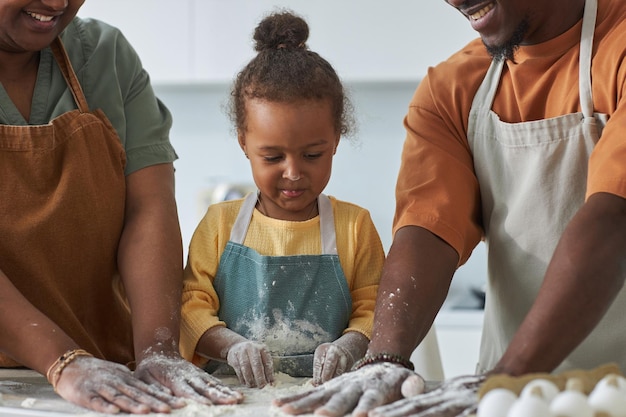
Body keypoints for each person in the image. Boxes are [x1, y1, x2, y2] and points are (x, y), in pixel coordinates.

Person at [273, 0, 626, 415]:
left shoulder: (616, 47)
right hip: (508, 397)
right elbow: (427, 233)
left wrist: (510, 376)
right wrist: (384, 359)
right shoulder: (452, 89)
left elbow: (614, 218)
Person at [0, 0, 243, 414]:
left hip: (106, 369)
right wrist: (63, 361)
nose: (58, 4)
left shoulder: (104, 55)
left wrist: (158, 350)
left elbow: (148, 211)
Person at [179, 11, 384, 389]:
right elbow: (191, 307)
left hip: (323, 398)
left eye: (312, 155)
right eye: (273, 157)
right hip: (231, 395)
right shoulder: (220, 224)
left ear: (336, 140)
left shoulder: (354, 227)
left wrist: (349, 345)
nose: (293, 173)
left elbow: (375, 310)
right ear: (244, 142)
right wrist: (231, 347)